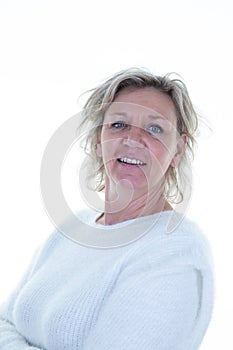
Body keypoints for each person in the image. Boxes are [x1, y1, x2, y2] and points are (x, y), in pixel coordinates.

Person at [0, 68, 214, 349]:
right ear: (98, 141)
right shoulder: (75, 226)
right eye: (119, 124)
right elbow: (5, 322)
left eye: (154, 128)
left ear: (178, 150)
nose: (133, 139)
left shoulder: (176, 254)